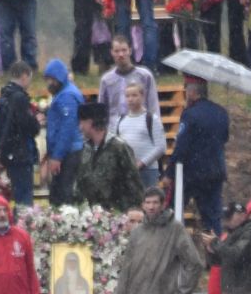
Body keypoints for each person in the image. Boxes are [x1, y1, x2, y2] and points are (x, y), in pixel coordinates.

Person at [170, 75, 229, 232]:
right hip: (215, 172)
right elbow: (225, 138)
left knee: (173, 212)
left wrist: (169, 173)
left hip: (192, 174)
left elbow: (181, 147)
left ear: (192, 92)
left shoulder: (190, 114)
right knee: (213, 219)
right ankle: (215, 251)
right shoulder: (221, 112)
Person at [73, 102, 140, 211]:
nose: (80, 127)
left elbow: (133, 183)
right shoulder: (85, 149)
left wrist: (133, 211)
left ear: (90, 123)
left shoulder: (119, 147)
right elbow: (80, 183)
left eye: (82, 122)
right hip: (90, 215)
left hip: (117, 212)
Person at [0, 60, 40, 205]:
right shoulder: (19, 98)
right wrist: (36, 122)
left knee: (16, 194)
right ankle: (23, 225)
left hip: (9, 153)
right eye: (30, 78)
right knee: (24, 198)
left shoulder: (3, 97)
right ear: (24, 76)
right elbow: (27, 125)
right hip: (21, 154)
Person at [111, 74, 166, 191]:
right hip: (126, 171)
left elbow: (161, 147)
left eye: (134, 95)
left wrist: (142, 163)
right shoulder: (120, 120)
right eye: (127, 96)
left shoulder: (151, 119)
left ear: (142, 96)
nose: (130, 99)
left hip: (148, 171)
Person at [40, 59, 83, 205]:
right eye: (47, 80)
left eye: (51, 79)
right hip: (65, 151)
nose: (49, 84)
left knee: (63, 195)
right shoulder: (64, 93)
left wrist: (57, 156)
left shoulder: (66, 97)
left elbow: (67, 129)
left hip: (68, 153)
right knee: (58, 193)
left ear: (59, 77)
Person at [97, 35, 160, 126]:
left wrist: (155, 127)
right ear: (111, 53)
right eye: (117, 51)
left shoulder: (145, 76)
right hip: (114, 130)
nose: (121, 54)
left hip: (139, 128)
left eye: (124, 50)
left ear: (130, 51)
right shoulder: (106, 80)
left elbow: (153, 106)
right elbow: (101, 110)